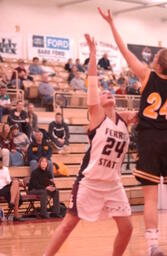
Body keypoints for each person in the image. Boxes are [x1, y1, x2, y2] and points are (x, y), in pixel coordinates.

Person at [44, 34, 137, 256]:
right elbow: (93, 82)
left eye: (110, 92)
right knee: (68, 225)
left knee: (127, 228)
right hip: (90, 182)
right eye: (104, 94)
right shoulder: (97, 116)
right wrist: (93, 54)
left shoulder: (125, 119)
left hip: (113, 183)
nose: (108, 93)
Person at [98, 7, 167, 256]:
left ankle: (153, 247)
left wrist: (111, 23)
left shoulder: (147, 76)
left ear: (158, 63)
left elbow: (124, 50)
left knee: (150, 198)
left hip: (149, 140)